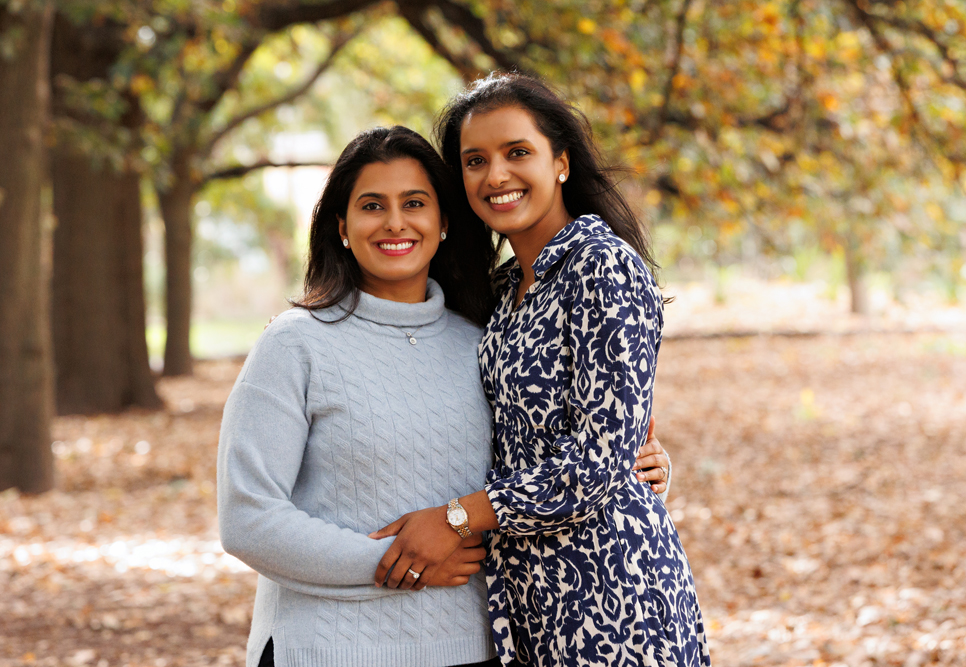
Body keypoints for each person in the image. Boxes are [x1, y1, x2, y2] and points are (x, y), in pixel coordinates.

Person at [216, 125, 673, 667]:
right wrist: (395, 561)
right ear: (341, 226)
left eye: (415, 203)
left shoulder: (485, 340)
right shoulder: (296, 344)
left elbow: (554, 457)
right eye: (371, 205)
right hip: (330, 648)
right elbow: (249, 517)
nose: (394, 222)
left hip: (475, 646)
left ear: (444, 222)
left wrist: (640, 467)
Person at [370, 74, 711, 667]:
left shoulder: (601, 266)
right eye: (475, 161)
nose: (495, 175)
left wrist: (456, 519)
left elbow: (599, 462)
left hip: (611, 590)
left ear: (561, 162)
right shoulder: (503, 291)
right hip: (527, 595)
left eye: (517, 152)